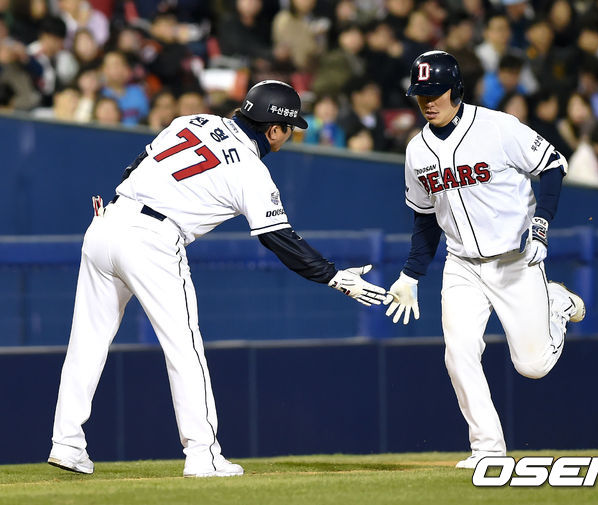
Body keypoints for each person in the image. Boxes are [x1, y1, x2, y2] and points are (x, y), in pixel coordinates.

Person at [47, 80, 386, 478]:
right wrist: (334, 277)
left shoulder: (193, 121)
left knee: (86, 342)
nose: (289, 136)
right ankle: (202, 454)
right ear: (274, 129)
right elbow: (279, 239)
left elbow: (136, 166)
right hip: (153, 238)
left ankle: (66, 443)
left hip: (108, 220)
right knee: (184, 348)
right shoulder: (250, 170)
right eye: (289, 128)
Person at [383, 51, 585, 469]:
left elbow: (552, 165)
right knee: (458, 354)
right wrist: (411, 273)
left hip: (515, 260)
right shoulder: (416, 150)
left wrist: (542, 223)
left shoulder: (497, 126)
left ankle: (556, 302)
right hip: (461, 265)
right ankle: (488, 449)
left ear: (456, 89)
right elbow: (425, 218)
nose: (427, 101)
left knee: (533, 366)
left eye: (436, 92)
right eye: (421, 94)